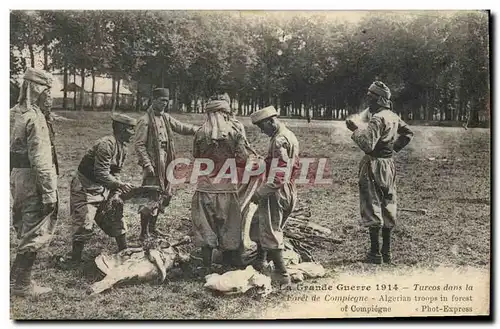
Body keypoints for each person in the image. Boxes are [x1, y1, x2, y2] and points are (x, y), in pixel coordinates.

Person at [346, 81, 414, 265]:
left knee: (372, 204)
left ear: (380, 99)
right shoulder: (392, 115)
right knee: (388, 203)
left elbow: (367, 144)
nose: (369, 100)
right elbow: (408, 133)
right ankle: (387, 252)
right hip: (388, 165)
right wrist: (393, 150)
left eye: (371, 97)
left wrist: (355, 129)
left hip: (373, 164)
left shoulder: (377, 118)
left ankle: (375, 253)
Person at [10, 67, 59, 297]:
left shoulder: (12, 114)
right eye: (48, 91)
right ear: (39, 91)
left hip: (16, 176)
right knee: (34, 229)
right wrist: (49, 192)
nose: (50, 97)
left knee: (23, 225)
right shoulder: (35, 118)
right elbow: (41, 160)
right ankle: (22, 284)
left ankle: (12, 279)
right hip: (32, 177)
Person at [191, 94, 251, 274]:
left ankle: (207, 266)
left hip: (205, 188)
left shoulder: (200, 132)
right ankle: (226, 266)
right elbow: (242, 159)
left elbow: (196, 155)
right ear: (225, 113)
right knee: (228, 226)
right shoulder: (235, 133)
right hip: (227, 188)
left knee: (205, 227)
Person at [67, 113, 137, 264]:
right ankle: (74, 260)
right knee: (84, 223)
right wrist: (119, 185)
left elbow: (116, 172)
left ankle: (125, 251)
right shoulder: (106, 144)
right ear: (121, 129)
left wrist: (116, 192)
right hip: (85, 187)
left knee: (115, 215)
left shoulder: (122, 148)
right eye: (131, 129)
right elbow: (101, 173)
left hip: (103, 187)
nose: (134, 132)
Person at [134, 88, 200, 241]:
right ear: (154, 100)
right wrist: (147, 165)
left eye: (166, 101)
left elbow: (182, 127)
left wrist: (200, 130)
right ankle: (144, 233)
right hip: (154, 162)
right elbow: (139, 145)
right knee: (151, 196)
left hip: (167, 160)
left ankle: (153, 228)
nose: (164, 103)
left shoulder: (166, 118)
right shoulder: (145, 121)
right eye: (161, 100)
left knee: (165, 194)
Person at [250, 106, 300, 287]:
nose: (262, 131)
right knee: (258, 223)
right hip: (287, 188)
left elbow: (279, 177)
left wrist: (260, 193)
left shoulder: (279, 140)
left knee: (271, 230)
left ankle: (281, 273)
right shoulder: (289, 135)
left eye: (262, 126)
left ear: (271, 121)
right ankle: (260, 260)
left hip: (276, 191)